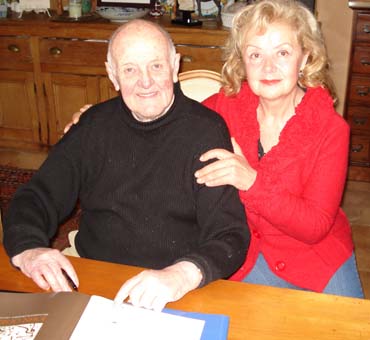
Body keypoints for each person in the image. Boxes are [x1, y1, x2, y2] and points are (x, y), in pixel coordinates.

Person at [64, 0, 364, 298]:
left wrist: (251, 182)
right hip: (243, 258)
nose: (268, 67)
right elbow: (162, 111)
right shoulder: (224, 107)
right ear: (242, 60)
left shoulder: (331, 130)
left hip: (314, 259)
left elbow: (315, 226)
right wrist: (100, 119)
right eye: (255, 54)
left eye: (282, 53)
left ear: (305, 56)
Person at [3, 19, 250, 311]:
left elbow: (229, 234)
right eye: (130, 69)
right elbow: (37, 196)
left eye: (156, 66)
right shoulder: (93, 125)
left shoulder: (205, 131)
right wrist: (29, 249)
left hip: (172, 285)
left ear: (174, 66)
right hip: (90, 272)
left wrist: (182, 274)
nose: (145, 81)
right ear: (113, 75)